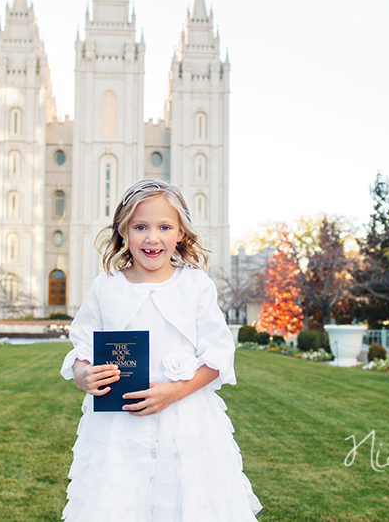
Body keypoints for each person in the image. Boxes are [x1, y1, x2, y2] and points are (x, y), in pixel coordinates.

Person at [59, 179, 262, 521]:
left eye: (164, 227)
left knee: (187, 505)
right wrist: (84, 375)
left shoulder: (195, 285)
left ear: (180, 233)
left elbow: (218, 356)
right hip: (118, 428)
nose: (152, 238)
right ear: (124, 232)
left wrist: (174, 392)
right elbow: (83, 346)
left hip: (186, 424)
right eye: (141, 227)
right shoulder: (106, 286)